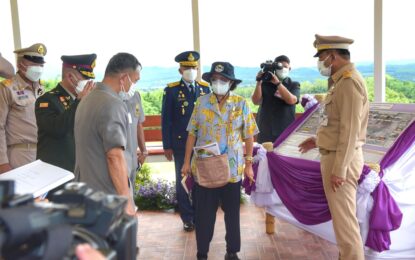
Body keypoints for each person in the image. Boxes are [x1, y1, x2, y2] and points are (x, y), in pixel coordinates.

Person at [298, 34, 369, 260]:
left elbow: (350, 132)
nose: (320, 62)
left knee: (346, 226)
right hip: (336, 155)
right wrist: (318, 140)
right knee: (343, 223)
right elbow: (339, 125)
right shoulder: (341, 81)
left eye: (321, 57)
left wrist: (339, 169)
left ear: (332, 56)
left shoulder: (348, 82)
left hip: (341, 160)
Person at [181, 62, 258, 260]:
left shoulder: (241, 103)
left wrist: (248, 163)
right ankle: (202, 253)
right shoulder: (202, 102)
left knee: (232, 214)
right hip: (205, 169)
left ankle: (232, 252)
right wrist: (186, 162)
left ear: (231, 82)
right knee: (204, 215)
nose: (218, 83)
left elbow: (249, 135)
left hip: (231, 171)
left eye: (223, 80)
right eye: (214, 79)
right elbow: (192, 133)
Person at [74, 52, 141, 216]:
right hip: (108, 198)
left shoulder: (87, 99)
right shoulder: (112, 104)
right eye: (135, 80)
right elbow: (114, 156)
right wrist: (125, 200)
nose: (134, 86)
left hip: (87, 193)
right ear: (124, 78)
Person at [161, 50, 210, 232]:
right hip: (181, 144)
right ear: (180, 70)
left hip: (202, 144)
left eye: (194, 68)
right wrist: (167, 146)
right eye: (187, 68)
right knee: (183, 181)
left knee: (201, 181)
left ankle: (199, 215)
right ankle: (187, 218)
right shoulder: (172, 90)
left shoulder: (205, 88)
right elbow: (166, 120)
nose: (191, 71)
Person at [35, 54, 96, 172]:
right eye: (84, 78)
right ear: (69, 77)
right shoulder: (47, 100)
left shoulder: (81, 100)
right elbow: (57, 128)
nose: (88, 83)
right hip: (57, 171)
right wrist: (78, 102)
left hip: (79, 169)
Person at [0, 43, 47, 174]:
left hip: (41, 152)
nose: (39, 68)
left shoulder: (41, 89)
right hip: (19, 154)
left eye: (41, 65)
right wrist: (2, 162)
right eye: (34, 65)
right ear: (21, 64)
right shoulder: (7, 88)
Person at [252, 55, 300, 143]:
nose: (283, 69)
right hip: (265, 130)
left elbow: (292, 100)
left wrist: (278, 83)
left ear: (290, 68)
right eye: (280, 67)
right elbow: (255, 101)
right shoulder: (264, 83)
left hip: (285, 130)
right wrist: (259, 82)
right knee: (263, 155)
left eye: (285, 67)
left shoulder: (293, 84)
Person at [124, 68, 147, 192]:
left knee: (131, 192)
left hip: (133, 154)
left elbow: (138, 123)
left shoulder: (136, 96)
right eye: (134, 80)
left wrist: (144, 151)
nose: (134, 84)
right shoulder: (110, 99)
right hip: (121, 155)